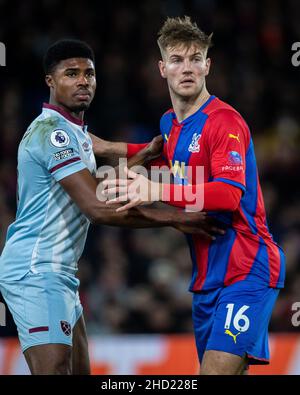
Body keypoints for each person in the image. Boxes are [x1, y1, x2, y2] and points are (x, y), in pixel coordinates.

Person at [0, 38, 224, 375]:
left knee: (78, 370)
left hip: (60, 272)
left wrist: (141, 157)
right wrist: (175, 217)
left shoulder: (76, 134)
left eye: (88, 74)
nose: (82, 82)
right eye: (71, 74)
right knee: (55, 369)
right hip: (35, 270)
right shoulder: (52, 134)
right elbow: (98, 208)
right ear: (50, 81)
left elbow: (101, 190)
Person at [98, 16, 286, 375]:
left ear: (207, 66)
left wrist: (156, 189)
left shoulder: (224, 121)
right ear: (162, 68)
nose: (187, 68)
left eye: (195, 58)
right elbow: (170, 160)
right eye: (177, 60)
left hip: (247, 268)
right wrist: (110, 152)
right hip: (207, 279)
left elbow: (228, 195)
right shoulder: (170, 123)